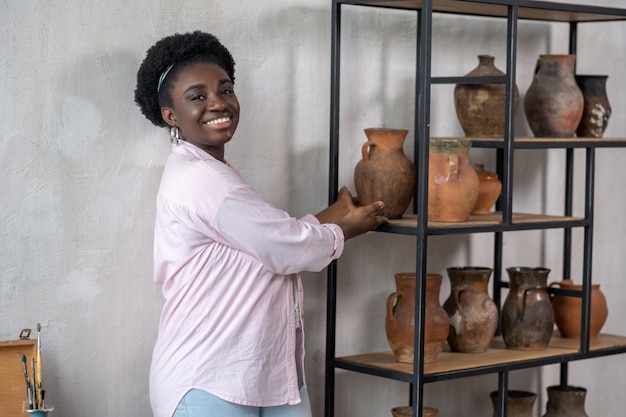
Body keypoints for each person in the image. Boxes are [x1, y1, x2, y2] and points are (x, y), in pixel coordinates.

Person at [134, 31, 387, 417]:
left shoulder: (212, 172)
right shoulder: (200, 180)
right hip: (208, 381)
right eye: (197, 96)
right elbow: (282, 248)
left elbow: (261, 241)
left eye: (226, 89)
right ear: (170, 115)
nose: (218, 103)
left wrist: (334, 214)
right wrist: (344, 229)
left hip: (266, 376)